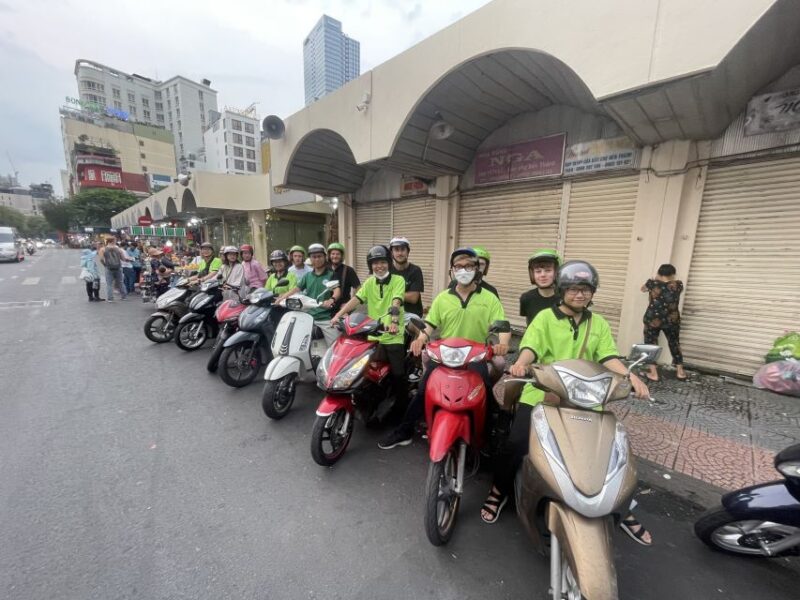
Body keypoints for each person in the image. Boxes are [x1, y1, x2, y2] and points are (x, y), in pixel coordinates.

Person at [482, 260, 652, 546]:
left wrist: (630, 375)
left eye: (585, 289)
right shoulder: (545, 319)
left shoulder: (598, 323)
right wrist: (521, 364)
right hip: (543, 393)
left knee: (612, 453)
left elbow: (608, 356)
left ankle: (621, 508)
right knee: (518, 442)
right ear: (562, 291)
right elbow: (530, 348)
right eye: (573, 289)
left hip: (586, 398)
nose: (580, 294)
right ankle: (499, 490)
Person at [379, 248, 511, 450]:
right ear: (452, 271)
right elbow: (429, 324)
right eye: (459, 266)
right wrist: (420, 339)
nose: (463, 270)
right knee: (424, 389)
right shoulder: (442, 298)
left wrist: (503, 343)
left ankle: (485, 439)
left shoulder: (490, 298)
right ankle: (404, 431)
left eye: (468, 266)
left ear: (476, 269)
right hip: (445, 354)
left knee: (484, 392)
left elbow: (502, 325)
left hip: (474, 356)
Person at [331, 245, 407, 417]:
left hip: (392, 335)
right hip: (372, 334)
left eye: (383, 262)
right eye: (375, 263)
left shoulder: (398, 280)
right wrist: (338, 315)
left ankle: (401, 408)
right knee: (361, 369)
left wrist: (394, 322)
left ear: (389, 263)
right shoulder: (370, 282)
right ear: (370, 265)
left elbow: (396, 302)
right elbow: (356, 300)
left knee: (398, 374)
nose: (379, 266)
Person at [277, 243, 342, 347]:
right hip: (308, 316)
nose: (317, 259)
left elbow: (337, 290)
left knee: (336, 346)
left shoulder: (331, 274)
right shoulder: (307, 276)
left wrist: (332, 299)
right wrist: (281, 298)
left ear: (325, 257)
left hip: (325, 317)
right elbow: (296, 289)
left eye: (319, 256)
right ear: (310, 259)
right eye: (314, 257)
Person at [641, 263, 687, 382]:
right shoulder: (678, 285)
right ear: (673, 274)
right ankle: (680, 372)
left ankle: (653, 374)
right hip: (672, 320)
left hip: (653, 320)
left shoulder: (652, 283)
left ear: (659, 273)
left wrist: (655, 279)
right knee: (674, 343)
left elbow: (642, 289)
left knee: (651, 344)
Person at [519, 248, 560, 325]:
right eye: (538, 271)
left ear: (556, 272)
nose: (543, 275)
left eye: (548, 270)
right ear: (532, 274)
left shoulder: (564, 299)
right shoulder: (526, 298)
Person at [389, 237, 425, 316]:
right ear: (391, 253)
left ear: (408, 252)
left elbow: (413, 298)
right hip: (392, 313)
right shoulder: (387, 271)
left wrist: (389, 293)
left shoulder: (415, 270)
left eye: (403, 249)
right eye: (396, 250)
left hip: (411, 314)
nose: (400, 253)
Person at [327, 242, 360, 312]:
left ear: (342, 256)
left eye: (338, 254)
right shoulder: (325, 270)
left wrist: (349, 304)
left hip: (343, 309)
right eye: (333, 254)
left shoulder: (349, 270)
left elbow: (359, 290)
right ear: (329, 255)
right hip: (326, 309)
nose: (335, 256)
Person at [98, 237, 126, 302]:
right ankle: (124, 296)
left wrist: (105, 265)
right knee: (120, 282)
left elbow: (101, 259)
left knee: (109, 284)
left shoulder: (103, 249)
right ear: (113, 241)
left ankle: (110, 298)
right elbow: (123, 259)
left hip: (109, 268)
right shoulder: (119, 249)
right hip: (118, 267)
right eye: (115, 240)